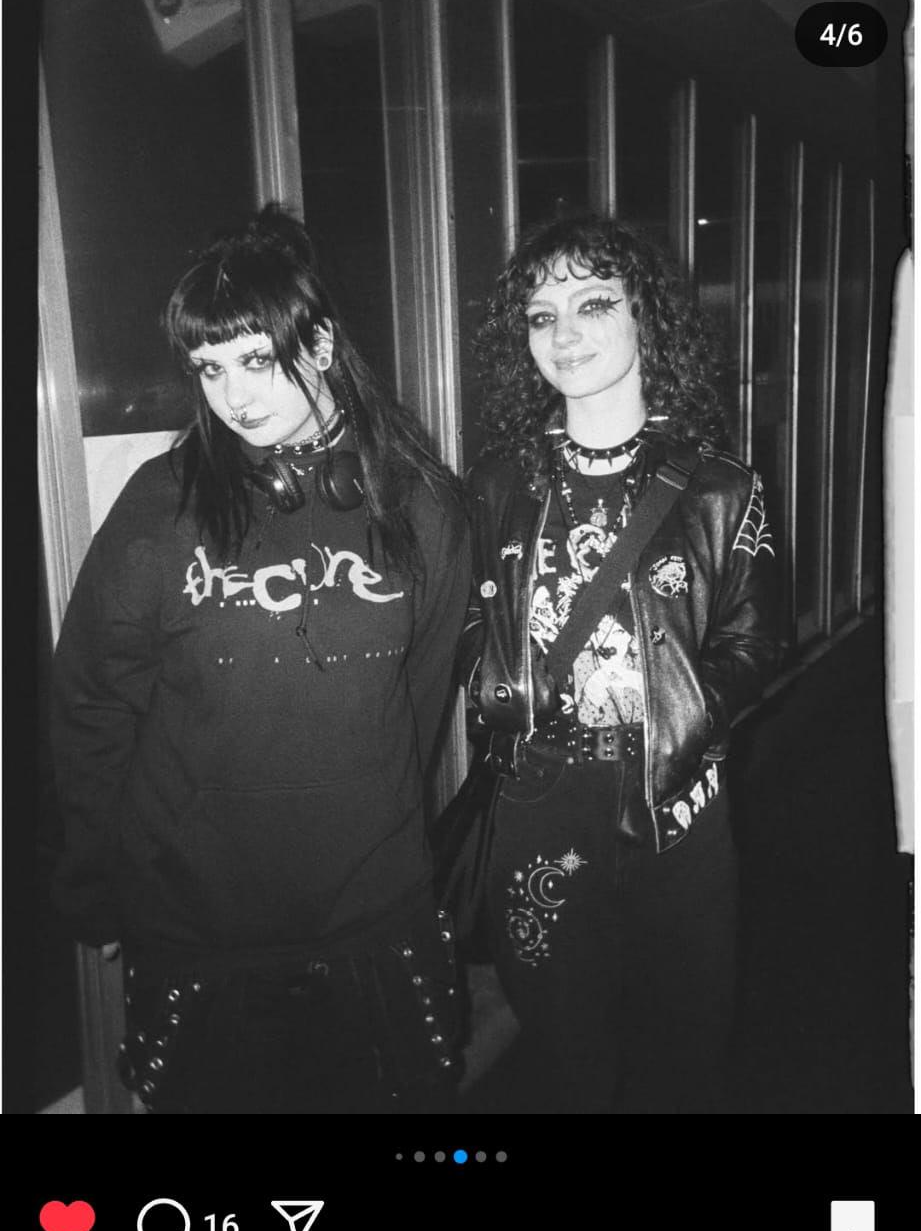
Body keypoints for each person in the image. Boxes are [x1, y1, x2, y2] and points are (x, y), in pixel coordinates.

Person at [51, 205, 471, 1113]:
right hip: (199, 923)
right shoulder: (161, 504)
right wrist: (96, 883)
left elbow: (420, 698)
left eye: (255, 359)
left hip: (368, 913)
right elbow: (91, 703)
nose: (233, 397)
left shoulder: (423, 508)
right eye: (209, 368)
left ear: (319, 345)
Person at [459, 212, 777, 1114]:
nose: (563, 333)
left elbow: (756, 642)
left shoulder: (720, 489)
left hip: (676, 801)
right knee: (565, 1057)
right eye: (541, 314)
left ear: (646, 316)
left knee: (683, 1050)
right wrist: (497, 688)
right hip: (539, 796)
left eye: (593, 304)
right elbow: (468, 621)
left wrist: (682, 719)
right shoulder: (497, 485)